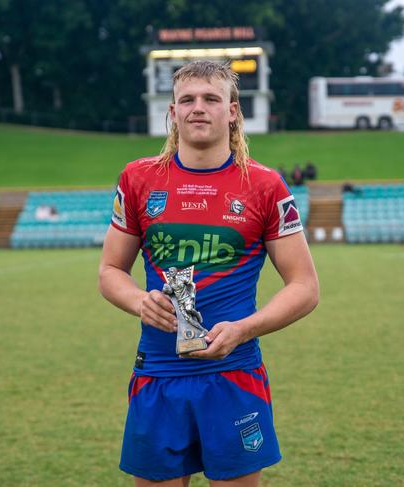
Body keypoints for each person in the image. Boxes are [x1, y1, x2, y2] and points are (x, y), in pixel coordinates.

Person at [99, 60, 319, 486]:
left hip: (233, 375)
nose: (198, 108)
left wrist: (244, 329)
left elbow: (305, 286)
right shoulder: (138, 179)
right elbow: (110, 270)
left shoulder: (265, 185)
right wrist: (138, 300)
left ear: (232, 110)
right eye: (187, 100)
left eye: (211, 99)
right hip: (158, 374)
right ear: (173, 111)